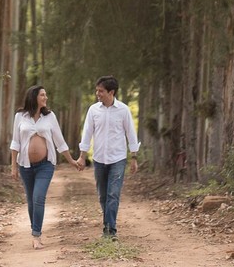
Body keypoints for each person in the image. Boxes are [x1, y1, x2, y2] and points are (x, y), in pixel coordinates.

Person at [10, 85, 82, 249]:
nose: (46, 98)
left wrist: (71, 161)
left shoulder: (50, 117)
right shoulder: (20, 116)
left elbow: (59, 141)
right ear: (34, 96)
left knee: (38, 198)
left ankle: (37, 235)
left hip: (45, 165)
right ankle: (34, 230)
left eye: (46, 95)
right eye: (43, 95)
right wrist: (13, 166)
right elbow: (15, 143)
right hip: (25, 166)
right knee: (30, 201)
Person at [74, 75, 140, 239]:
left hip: (117, 159)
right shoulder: (93, 110)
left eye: (101, 91)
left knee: (113, 195)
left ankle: (110, 230)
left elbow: (130, 133)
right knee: (103, 196)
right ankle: (107, 225)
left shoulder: (123, 110)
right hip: (99, 159)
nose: (98, 94)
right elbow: (87, 133)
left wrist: (134, 157)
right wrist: (82, 156)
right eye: (97, 90)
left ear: (111, 92)